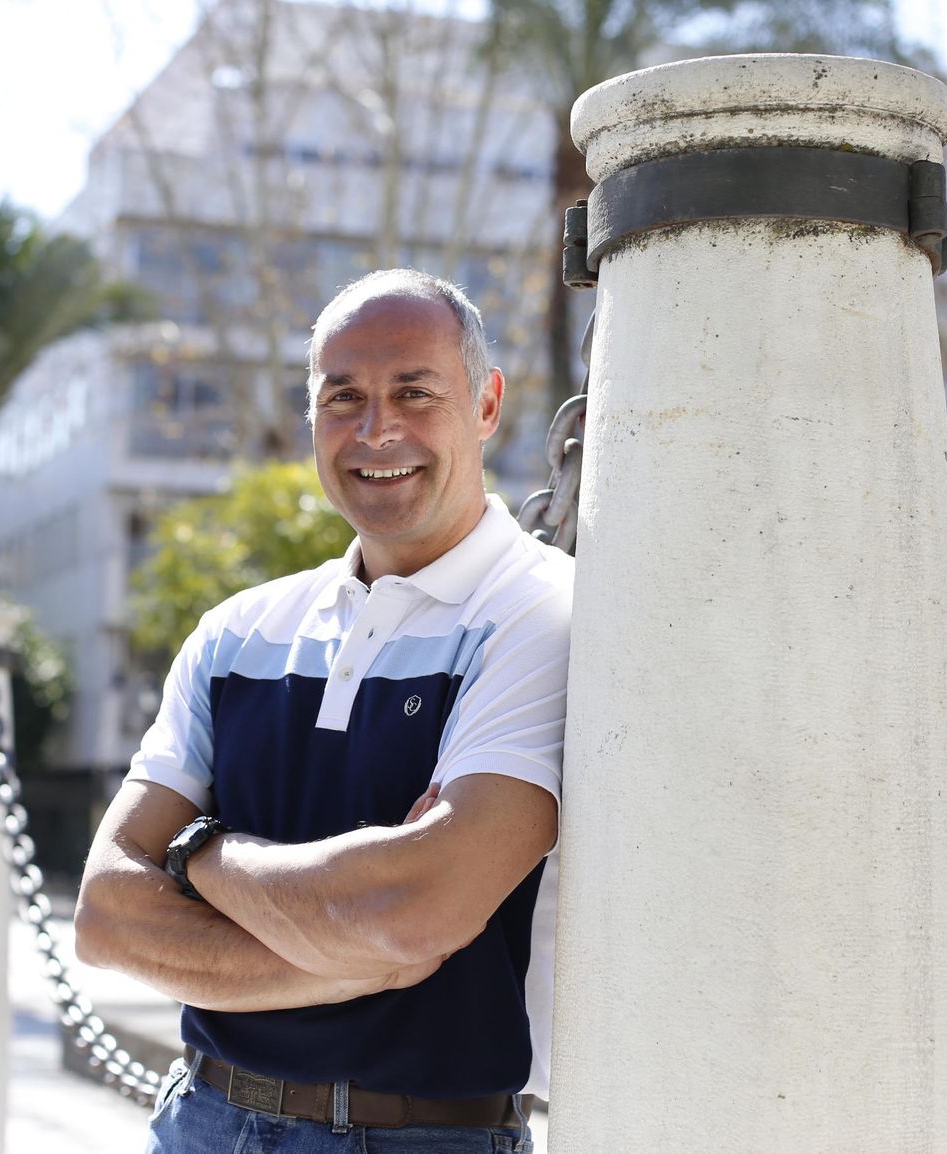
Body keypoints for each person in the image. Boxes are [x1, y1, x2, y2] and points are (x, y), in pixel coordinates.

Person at [75, 269, 574, 1153]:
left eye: (415, 393)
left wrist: (200, 854)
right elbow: (107, 914)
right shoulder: (237, 634)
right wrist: (359, 951)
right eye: (343, 396)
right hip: (202, 1123)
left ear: (487, 404)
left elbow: (417, 909)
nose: (377, 429)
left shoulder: (542, 614)